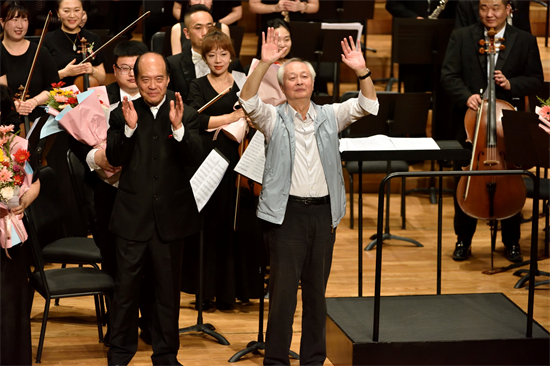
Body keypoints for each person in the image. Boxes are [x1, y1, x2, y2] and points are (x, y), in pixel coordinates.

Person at [239, 28, 378, 365]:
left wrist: (362, 71)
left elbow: (369, 104)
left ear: (313, 84)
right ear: (284, 86)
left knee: (317, 296)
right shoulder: (272, 119)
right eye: (292, 78)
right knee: (284, 298)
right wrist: (265, 64)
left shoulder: (331, 115)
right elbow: (248, 100)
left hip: (322, 216)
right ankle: (275, 361)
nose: (299, 82)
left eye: (304, 77)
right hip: (286, 218)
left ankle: (314, 360)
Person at [105, 51, 202, 366]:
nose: (152, 85)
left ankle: (166, 355)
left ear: (168, 79)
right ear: (136, 79)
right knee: (125, 290)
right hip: (132, 217)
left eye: (159, 78)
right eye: (145, 78)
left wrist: (181, 130)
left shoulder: (184, 112)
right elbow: (115, 157)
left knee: (167, 292)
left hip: (171, 219)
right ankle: (120, 352)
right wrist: (130, 130)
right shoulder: (123, 113)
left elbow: (195, 157)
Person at [440, 0, 544, 262]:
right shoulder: (462, 36)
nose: (490, 14)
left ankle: (512, 242)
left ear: (508, 9)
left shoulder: (525, 40)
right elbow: (448, 75)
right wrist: (467, 97)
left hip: (507, 126)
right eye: (484, 8)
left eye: (496, 8)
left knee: (510, 179)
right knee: (465, 183)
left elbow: (535, 79)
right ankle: (463, 240)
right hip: (470, 127)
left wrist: (512, 84)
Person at [67, 40, 151, 345]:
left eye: (136, 68)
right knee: (115, 263)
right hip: (108, 193)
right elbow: (77, 143)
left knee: (150, 264)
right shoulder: (97, 98)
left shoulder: (156, 96)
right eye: (124, 68)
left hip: (146, 195)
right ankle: (120, 328)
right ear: (114, 70)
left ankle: (151, 325)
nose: (131, 74)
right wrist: (96, 159)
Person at [182, 28, 246, 310]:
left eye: (223, 53)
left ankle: (230, 293)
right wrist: (231, 116)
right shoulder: (197, 85)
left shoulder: (243, 83)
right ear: (204, 57)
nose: (218, 59)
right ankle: (205, 292)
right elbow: (197, 121)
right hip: (210, 159)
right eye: (212, 54)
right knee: (210, 224)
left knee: (233, 225)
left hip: (239, 157)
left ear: (231, 55)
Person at [0, 83, 41, 366]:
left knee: (11, 302)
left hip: (10, 233)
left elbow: (35, 181)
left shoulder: (17, 145)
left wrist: (23, 201)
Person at [0, 0, 59, 126]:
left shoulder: (41, 52)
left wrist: (34, 101)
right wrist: (13, 104)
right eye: (14, 19)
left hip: (39, 114)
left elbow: (54, 88)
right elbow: (2, 91)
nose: (20, 25)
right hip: (6, 117)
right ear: (2, 22)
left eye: (24, 19)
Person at [43, 0, 106, 87]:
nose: (72, 15)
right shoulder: (48, 39)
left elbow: (102, 78)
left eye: (77, 10)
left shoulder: (93, 38)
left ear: (83, 12)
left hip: (88, 96)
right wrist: (65, 73)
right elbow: (41, 78)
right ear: (58, 13)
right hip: (58, 96)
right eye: (66, 11)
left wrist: (93, 70)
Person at [167, 4, 214, 103]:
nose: (205, 32)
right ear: (187, 33)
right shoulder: (173, 64)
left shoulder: (231, 63)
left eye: (209, 27)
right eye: (198, 28)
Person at [249, 0, 318, 58]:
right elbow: (253, 6)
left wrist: (301, 6)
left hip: (297, 28)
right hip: (271, 27)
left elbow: (315, 6)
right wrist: (274, 7)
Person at [171, 0, 240, 55]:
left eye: (209, 27)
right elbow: (177, 62)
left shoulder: (223, 28)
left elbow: (227, 58)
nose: (202, 2)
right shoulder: (177, 29)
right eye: (198, 28)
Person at [455, 0, 531, 33]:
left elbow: (525, 41)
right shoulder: (465, 4)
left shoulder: (520, 3)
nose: (489, 15)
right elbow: (460, 41)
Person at [173, 0, 242, 25]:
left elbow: (237, 13)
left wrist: (214, 25)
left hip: (219, 24)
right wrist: (190, 23)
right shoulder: (177, 29)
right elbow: (176, 8)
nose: (202, 2)